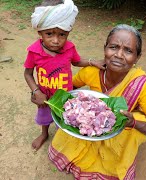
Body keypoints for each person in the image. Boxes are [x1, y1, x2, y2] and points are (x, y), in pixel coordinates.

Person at [48, 24, 146, 180]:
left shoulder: (139, 83)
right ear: (105, 49)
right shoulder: (91, 71)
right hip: (92, 123)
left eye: (128, 51)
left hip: (121, 127)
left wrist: (134, 123)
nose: (119, 55)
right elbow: (68, 91)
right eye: (114, 47)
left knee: (138, 123)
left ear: (137, 57)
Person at [24, 0, 105, 150]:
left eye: (62, 34)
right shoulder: (34, 51)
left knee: (67, 118)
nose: (56, 40)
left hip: (65, 96)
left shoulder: (69, 48)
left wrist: (93, 62)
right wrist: (36, 91)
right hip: (45, 97)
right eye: (49, 34)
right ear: (40, 32)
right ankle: (44, 134)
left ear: (68, 32)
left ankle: (64, 136)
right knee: (45, 117)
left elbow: (77, 62)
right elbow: (28, 73)